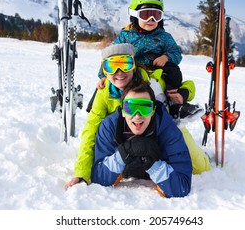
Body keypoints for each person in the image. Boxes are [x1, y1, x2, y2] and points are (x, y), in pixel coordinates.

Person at [65, 44, 209, 190]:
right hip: (123, 133)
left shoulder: (150, 81)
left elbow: (185, 86)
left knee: (198, 166)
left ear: (133, 66)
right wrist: (82, 173)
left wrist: (183, 93)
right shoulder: (104, 92)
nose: (119, 72)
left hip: (164, 126)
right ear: (104, 72)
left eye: (125, 65)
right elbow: (90, 129)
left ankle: (203, 157)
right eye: (111, 67)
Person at [91, 80, 192, 198]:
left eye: (145, 107)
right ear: (123, 111)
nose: (138, 115)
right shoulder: (110, 127)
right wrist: (122, 155)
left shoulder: (167, 129)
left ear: (153, 111)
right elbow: (98, 179)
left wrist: (154, 165)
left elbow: (182, 187)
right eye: (130, 107)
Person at [113, 0, 200, 119]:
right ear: (134, 15)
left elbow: (176, 53)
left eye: (156, 15)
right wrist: (103, 76)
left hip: (158, 71)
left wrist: (166, 57)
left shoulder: (164, 37)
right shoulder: (127, 36)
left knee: (174, 70)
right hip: (134, 69)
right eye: (145, 15)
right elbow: (113, 55)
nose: (151, 19)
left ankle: (174, 103)